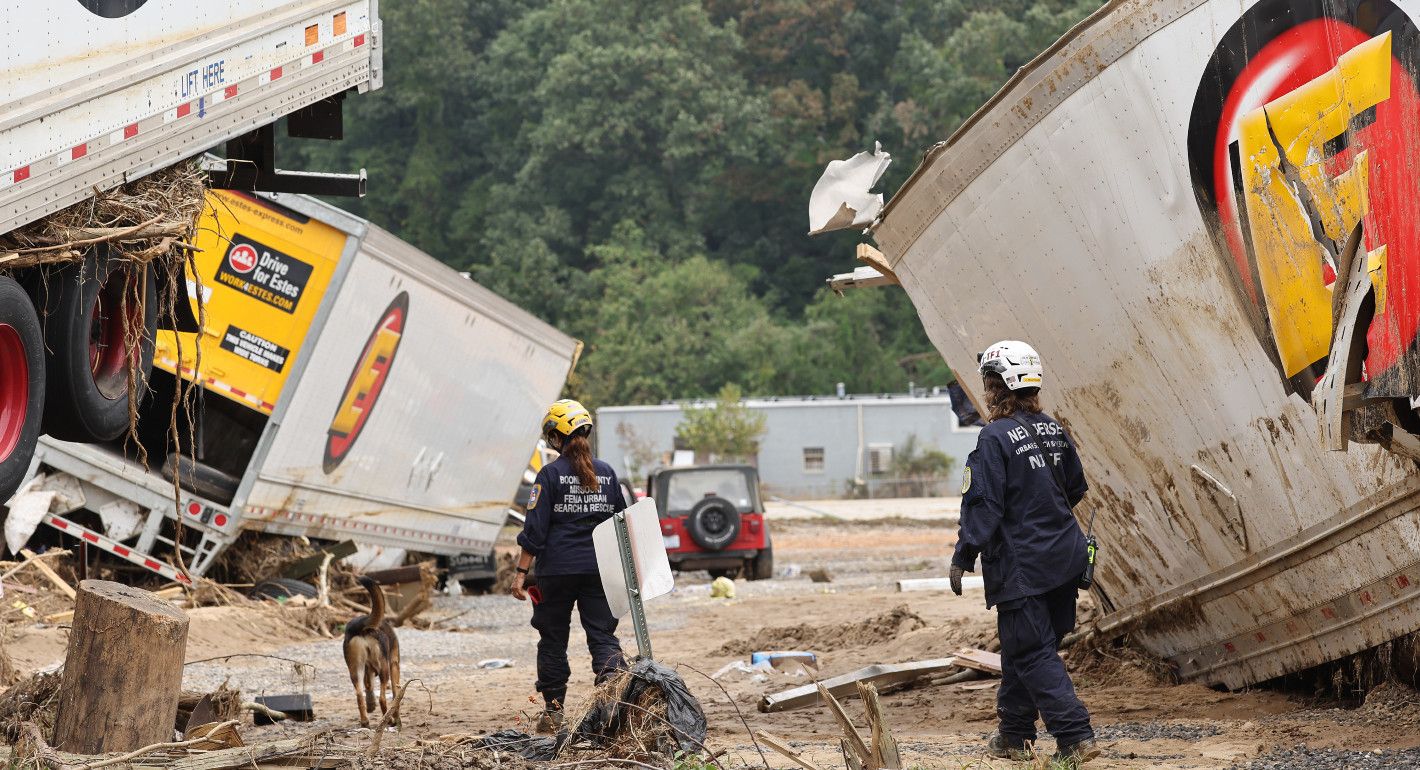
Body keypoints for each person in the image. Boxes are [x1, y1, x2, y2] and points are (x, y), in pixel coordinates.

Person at [948, 340, 1098, 766]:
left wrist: (964, 555)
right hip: (1065, 559)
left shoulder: (993, 438)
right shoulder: (1053, 428)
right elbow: (1074, 489)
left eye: (988, 381)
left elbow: (983, 506)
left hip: (1024, 568)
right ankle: (1014, 735)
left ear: (999, 386)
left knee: (1032, 651)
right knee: (1024, 648)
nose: (985, 389)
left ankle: (1075, 737)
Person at [512, 399, 628, 733]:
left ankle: (553, 714)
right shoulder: (607, 473)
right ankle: (612, 710)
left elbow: (534, 530)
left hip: (556, 572)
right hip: (598, 571)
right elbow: (621, 523)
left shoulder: (549, 474)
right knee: (603, 637)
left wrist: (520, 573)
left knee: (552, 640)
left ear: (557, 436)